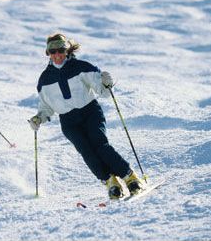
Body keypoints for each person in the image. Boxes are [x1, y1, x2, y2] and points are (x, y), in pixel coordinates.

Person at [28, 33, 143, 199]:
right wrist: (38, 118)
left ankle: (130, 177)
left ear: (67, 50)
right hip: (68, 121)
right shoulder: (44, 80)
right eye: (53, 52)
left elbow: (102, 90)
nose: (57, 55)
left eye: (61, 50)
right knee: (87, 152)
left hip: (90, 112)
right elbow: (46, 107)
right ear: (48, 54)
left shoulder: (81, 67)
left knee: (100, 144)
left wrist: (105, 82)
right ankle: (110, 182)